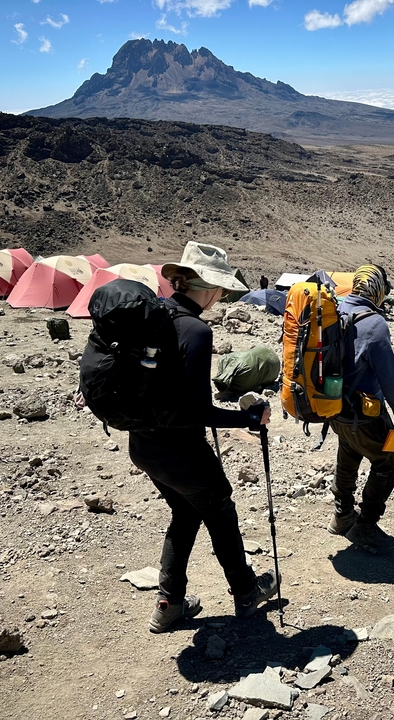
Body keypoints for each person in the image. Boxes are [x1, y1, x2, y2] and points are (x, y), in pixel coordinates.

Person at [130, 241, 279, 633]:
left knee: (185, 512)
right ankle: (246, 592)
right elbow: (197, 411)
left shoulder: (154, 316)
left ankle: (169, 603)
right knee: (220, 511)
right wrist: (247, 418)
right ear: (210, 287)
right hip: (180, 449)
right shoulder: (195, 330)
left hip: (143, 445)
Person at [328, 264, 394, 551]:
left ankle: (342, 515)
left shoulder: (334, 311)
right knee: (387, 461)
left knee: (350, 449)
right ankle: (365, 525)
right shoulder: (375, 324)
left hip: (332, 409)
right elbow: (391, 380)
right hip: (364, 413)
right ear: (377, 290)